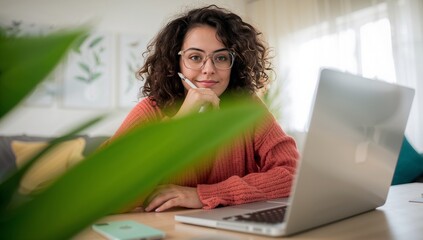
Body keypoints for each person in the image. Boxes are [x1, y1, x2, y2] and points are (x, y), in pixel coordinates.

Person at [108, 5, 299, 212]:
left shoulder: (248, 109)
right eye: (195, 57)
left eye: (221, 57)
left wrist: (204, 195)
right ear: (176, 62)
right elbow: (103, 190)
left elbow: (292, 174)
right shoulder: (151, 111)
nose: (208, 70)